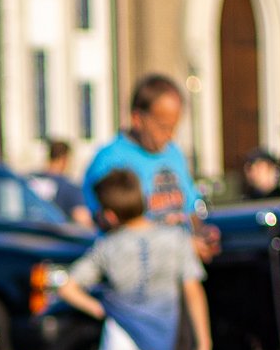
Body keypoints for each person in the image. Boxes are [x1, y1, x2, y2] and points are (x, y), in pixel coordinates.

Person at [49, 166, 211, 350]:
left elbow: (67, 287)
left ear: (110, 215)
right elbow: (193, 291)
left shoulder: (107, 246)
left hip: (119, 335)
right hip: (160, 341)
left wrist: (99, 309)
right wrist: (203, 344)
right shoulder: (176, 238)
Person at [82, 74, 220, 259]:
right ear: (138, 119)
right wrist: (178, 246)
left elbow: (190, 210)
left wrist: (202, 235)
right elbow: (110, 224)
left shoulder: (173, 153)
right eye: (164, 127)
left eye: (174, 127)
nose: (170, 136)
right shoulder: (110, 160)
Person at [28, 139, 82, 216]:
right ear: (64, 159)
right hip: (54, 227)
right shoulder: (68, 187)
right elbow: (81, 216)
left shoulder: (29, 180)